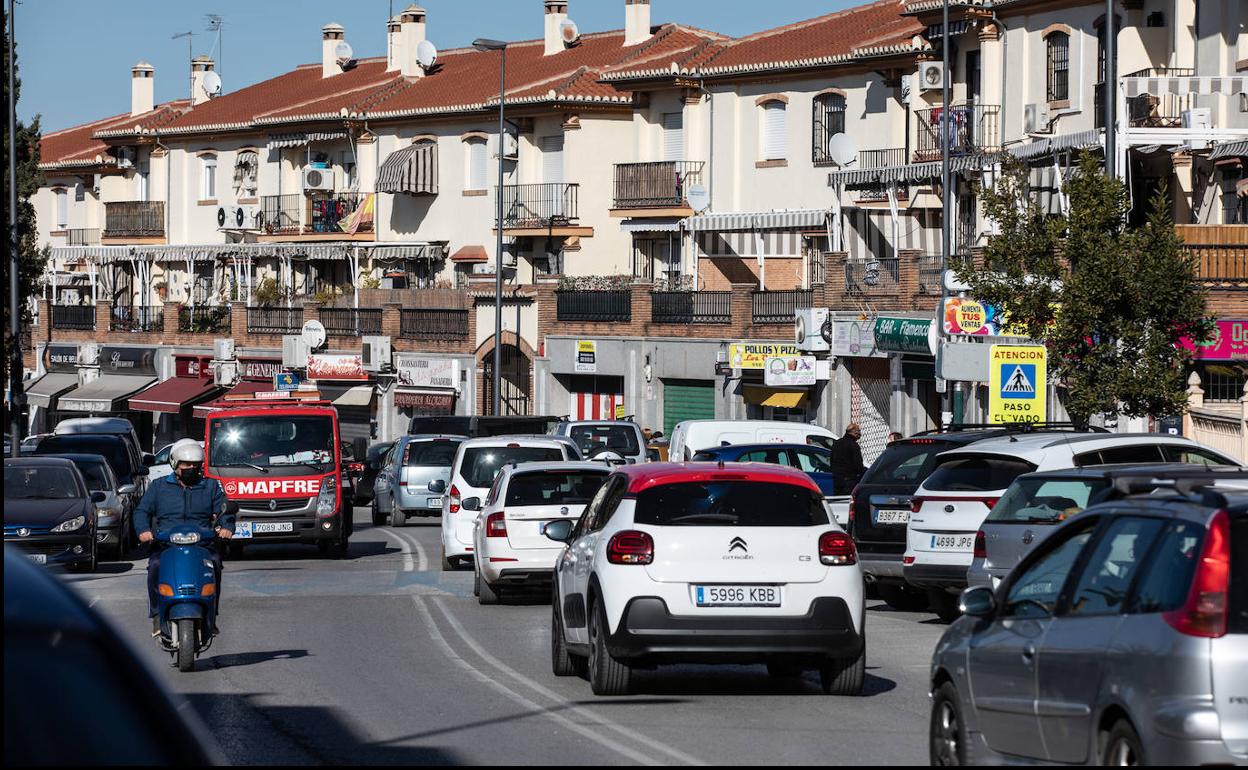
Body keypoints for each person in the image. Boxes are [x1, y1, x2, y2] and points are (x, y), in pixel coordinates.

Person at [134, 439, 235, 636]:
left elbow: (225, 510)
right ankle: (156, 615)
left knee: (214, 564)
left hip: (202, 545)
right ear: (174, 464)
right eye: (186, 464)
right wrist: (143, 530)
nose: (191, 468)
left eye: (195, 465)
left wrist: (227, 526)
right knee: (155, 566)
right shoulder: (158, 486)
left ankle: (210, 616)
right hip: (166, 545)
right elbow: (141, 511)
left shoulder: (210, 486)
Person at [829, 422, 867, 495]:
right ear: (854, 433)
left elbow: (832, 460)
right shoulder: (854, 445)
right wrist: (861, 473)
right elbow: (858, 464)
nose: (860, 435)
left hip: (837, 479)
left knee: (838, 501)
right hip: (849, 480)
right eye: (859, 432)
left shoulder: (836, 443)